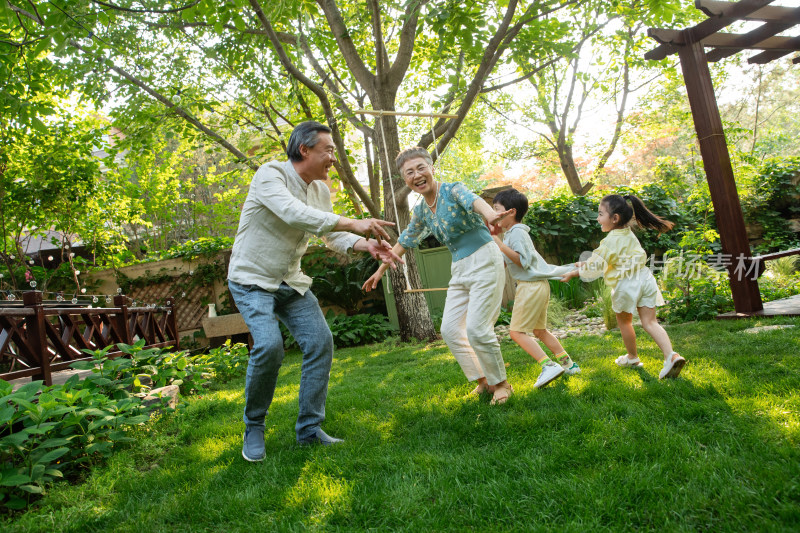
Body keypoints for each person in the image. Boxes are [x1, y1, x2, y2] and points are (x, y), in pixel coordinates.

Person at [228, 121, 402, 462]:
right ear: (305, 149)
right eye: (329, 151)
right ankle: (253, 426)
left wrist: (365, 244)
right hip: (252, 279)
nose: (333, 159)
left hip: (290, 280)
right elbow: (294, 214)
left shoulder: (321, 191)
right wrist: (352, 222)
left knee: (320, 342)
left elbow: (328, 233)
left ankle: (308, 430)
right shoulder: (271, 175)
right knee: (269, 346)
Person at [362, 147, 515, 405]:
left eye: (421, 167)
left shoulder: (453, 189)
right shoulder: (421, 211)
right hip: (460, 267)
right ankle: (483, 381)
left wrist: (491, 215)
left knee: (478, 328)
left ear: (431, 168)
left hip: (484, 258)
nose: (417, 175)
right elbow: (405, 240)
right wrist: (379, 271)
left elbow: (475, 201)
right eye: (409, 172)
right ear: (405, 180)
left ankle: (502, 384)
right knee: (451, 329)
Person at [562, 194, 686, 379]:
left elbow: (597, 265)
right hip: (645, 279)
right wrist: (584, 265)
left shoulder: (610, 241)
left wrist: (574, 272)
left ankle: (632, 357)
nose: (597, 218)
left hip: (626, 284)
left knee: (625, 322)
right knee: (650, 322)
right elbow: (609, 260)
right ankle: (671, 355)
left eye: (600, 213)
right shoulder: (628, 234)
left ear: (615, 218)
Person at [490, 188, 580, 389]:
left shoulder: (517, 234)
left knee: (516, 333)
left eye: (496, 209)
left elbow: (522, 262)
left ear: (511, 212)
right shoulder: (511, 235)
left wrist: (497, 242)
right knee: (540, 330)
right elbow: (506, 263)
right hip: (537, 286)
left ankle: (548, 366)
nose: (494, 215)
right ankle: (568, 365)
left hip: (529, 287)